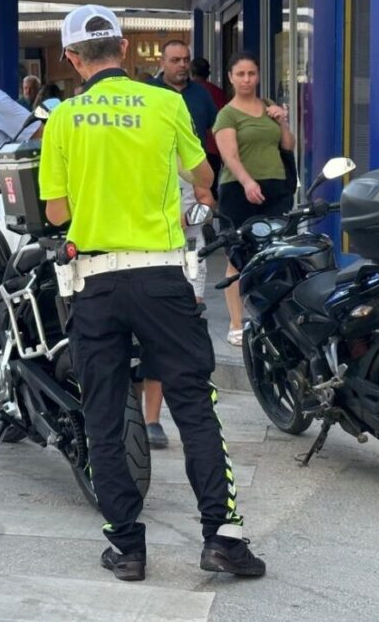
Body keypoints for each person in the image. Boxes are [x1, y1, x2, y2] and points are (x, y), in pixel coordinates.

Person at [40, 4, 265, 582]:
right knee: (194, 404)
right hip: (162, 276)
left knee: (105, 414)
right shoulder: (166, 104)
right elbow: (204, 176)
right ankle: (222, 536)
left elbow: (56, 211)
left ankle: (127, 547)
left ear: (71, 58)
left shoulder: (63, 119)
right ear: (123, 49)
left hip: (95, 282)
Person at [143, 39, 220, 450]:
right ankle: (139, 416)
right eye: (174, 60)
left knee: (183, 325)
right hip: (139, 247)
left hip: (185, 245)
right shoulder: (148, 108)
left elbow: (206, 190)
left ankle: (160, 418)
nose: (182, 66)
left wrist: (198, 213)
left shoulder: (199, 104)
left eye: (186, 60)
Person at [214, 51, 295, 347]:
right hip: (238, 190)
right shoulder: (227, 114)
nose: (247, 79)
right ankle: (237, 323)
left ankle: (274, 318)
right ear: (231, 78)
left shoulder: (269, 106)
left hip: (275, 188)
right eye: (241, 74)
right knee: (237, 257)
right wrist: (247, 181)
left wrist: (283, 121)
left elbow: (287, 146)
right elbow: (229, 155)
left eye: (251, 73)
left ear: (258, 76)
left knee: (277, 253)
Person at [190, 57, 227, 188]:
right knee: (211, 190)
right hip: (213, 149)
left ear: (191, 72)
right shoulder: (218, 92)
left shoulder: (189, 92)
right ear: (208, 73)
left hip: (192, 150)